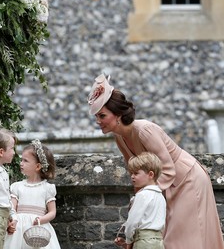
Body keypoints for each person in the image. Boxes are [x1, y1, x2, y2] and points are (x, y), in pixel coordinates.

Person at [88, 73, 224, 248]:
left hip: (187, 180)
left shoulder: (145, 130)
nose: (98, 121)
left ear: (118, 115)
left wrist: (147, 197)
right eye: (97, 117)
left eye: (102, 116)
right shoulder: (119, 137)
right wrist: (137, 206)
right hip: (164, 186)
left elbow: (168, 169)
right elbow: (138, 172)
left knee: (180, 239)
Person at [3, 139, 60, 249]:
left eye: (25, 161)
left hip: (37, 229)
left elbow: (52, 212)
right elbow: (12, 208)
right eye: (21, 160)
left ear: (38, 166)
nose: (21, 163)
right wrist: (12, 220)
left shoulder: (47, 188)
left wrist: (40, 220)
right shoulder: (17, 186)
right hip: (18, 228)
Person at [114, 152, 165, 249]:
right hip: (159, 243)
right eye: (131, 173)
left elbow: (132, 223)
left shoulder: (142, 195)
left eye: (136, 173)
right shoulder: (160, 196)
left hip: (143, 243)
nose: (132, 176)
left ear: (150, 174)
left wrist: (128, 241)